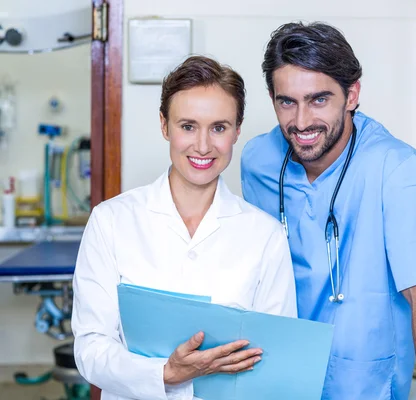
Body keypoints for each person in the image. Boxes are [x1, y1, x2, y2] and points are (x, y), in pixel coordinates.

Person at [241, 22, 416, 399]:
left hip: (364, 385)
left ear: (352, 94)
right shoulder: (257, 161)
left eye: (319, 99)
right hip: (278, 379)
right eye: (286, 101)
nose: (302, 121)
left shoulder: (396, 170)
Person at [72, 55, 297, 400]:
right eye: (188, 126)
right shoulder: (111, 221)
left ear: (237, 130)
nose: (203, 146)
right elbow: (90, 349)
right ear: (165, 125)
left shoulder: (264, 236)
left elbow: (276, 357)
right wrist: (165, 373)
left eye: (219, 127)